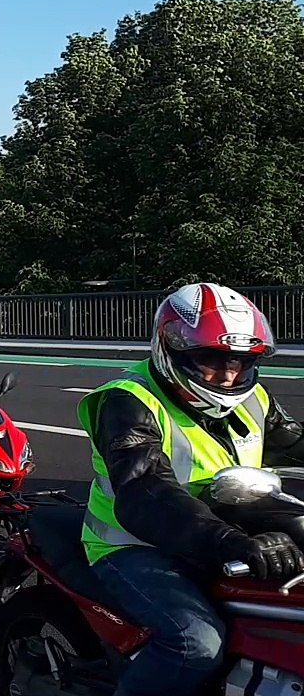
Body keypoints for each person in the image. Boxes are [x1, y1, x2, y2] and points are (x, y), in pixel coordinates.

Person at [79, 282, 304, 696]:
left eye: (240, 360)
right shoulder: (128, 401)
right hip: (133, 545)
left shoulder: (253, 397)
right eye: (210, 359)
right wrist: (230, 542)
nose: (230, 373)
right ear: (172, 350)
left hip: (219, 530)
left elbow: (292, 440)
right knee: (196, 643)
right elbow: (146, 492)